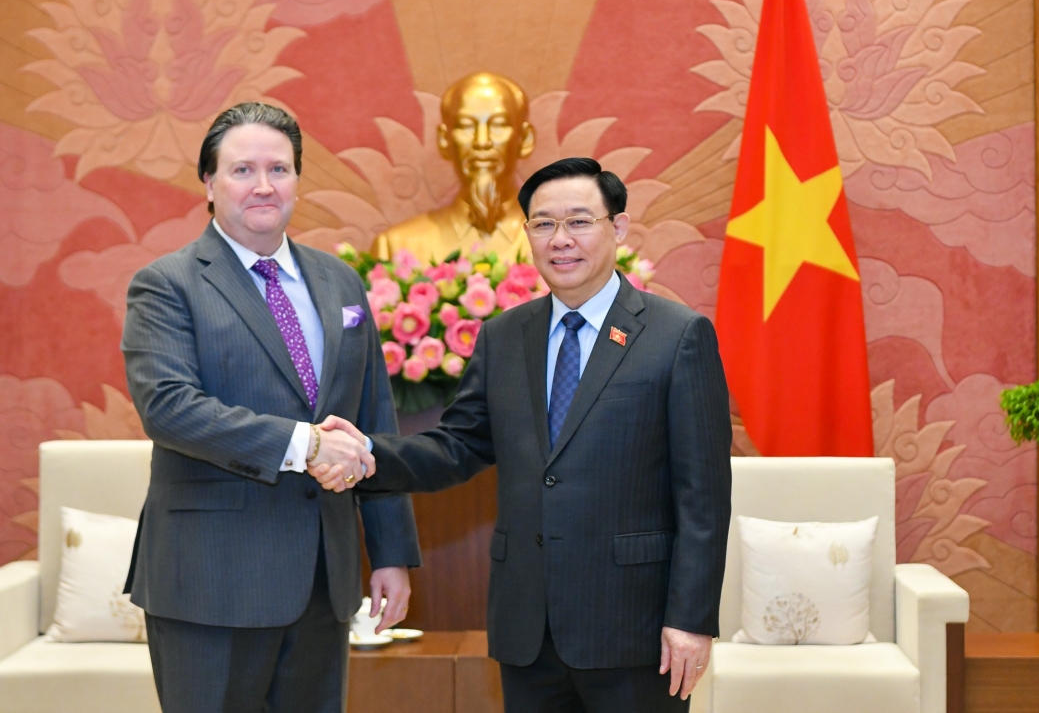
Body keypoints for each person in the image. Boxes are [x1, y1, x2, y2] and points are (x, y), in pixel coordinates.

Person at [316, 158, 732, 712]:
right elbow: (458, 445)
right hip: (528, 630)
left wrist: (690, 619)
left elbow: (703, 496)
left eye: (579, 222)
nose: (560, 240)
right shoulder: (504, 336)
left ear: (618, 228)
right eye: (543, 224)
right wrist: (369, 452)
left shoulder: (677, 335)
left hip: (635, 629)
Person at [121, 101, 421, 713]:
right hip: (210, 581)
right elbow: (169, 407)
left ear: (297, 181)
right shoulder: (167, 284)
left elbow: (373, 421)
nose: (263, 186)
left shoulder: (340, 281)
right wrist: (306, 444)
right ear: (209, 183)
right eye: (242, 170)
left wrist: (391, 552)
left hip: (323, 580)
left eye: (279, 169)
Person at [371, 71, 536, 263]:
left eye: (498, 125)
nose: (482, 142)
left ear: (525, 139)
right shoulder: (396, 247)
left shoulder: (558, 244)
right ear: (444, 140)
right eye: (465, 126)